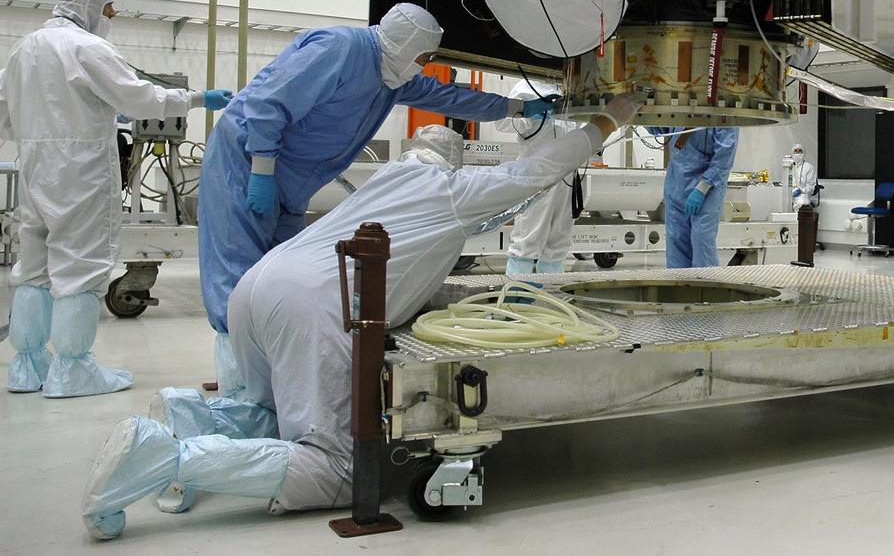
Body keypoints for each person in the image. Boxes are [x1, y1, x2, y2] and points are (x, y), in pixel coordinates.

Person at [79, 93, 643, 540]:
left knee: (271, 410)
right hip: (313, 306)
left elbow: (410, 272)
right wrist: (607, 121)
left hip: (259, 287)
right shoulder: (449, 188)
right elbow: (536, 171)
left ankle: (187, 416)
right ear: (454, 160)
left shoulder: (383, 184)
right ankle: (166, 457)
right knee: (335, 468)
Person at [197, 2, 557, 392]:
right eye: (423, 57)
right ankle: (239, 384)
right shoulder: (340, 49)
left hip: (292, 180)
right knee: (236, 272)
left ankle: (280, 377)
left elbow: (450, 98)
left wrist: (519, 106)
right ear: (404, 46)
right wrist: (262, 170)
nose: (424, 65)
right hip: (247, 161)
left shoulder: (393, 76)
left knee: (286, 273)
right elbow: (266, 104)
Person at [0, 0, 232, 397]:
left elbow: (5, 114)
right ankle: (72, 371)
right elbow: (141, 98)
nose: (112, 15)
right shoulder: (88, 47)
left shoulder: (23, 49)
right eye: (109, 7)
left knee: (32, 268)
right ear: (89, 5)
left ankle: (27, 364)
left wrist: (78, 115)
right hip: (79, 172)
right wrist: (198, 99)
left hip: (35, 166)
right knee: (79, 266)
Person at [496, 79, 579, 275]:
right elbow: (502, 122)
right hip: (537, 176)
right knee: (528, 235)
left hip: (568, 176)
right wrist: (527, 115)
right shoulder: (525, 87)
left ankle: (552, 291)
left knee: (559, 236)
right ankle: (516, 295)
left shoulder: (571, 88)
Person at [645, 125, 740, 268]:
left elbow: (725, 155)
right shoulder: (677, 105)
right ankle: (678, 287)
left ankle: (705, 287)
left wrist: (703, 187)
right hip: (677, 182)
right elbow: (659, 128)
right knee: (676, 241)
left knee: (701, 240)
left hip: (707, 187)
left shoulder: (722, 110)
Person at [790, 142, 817, 210]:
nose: (797, 154)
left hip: (803, 194)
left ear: (803, 153)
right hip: (789, 193)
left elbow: (811, 187)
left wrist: (800, 191)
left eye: (800, 151)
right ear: (792, 153)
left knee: (800, 203)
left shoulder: (809, 167)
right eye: (795, 151)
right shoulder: (788, 167)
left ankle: (797, 219)